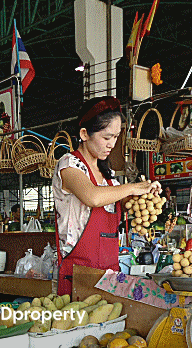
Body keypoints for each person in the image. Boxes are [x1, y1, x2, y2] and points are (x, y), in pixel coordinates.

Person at [53, 96, 161, 295]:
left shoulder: (108, 177)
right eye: (106, 137)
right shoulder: (69, 165)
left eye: (116, 137)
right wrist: (132, 187)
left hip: (109, 273)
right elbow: (93, 197)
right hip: (77, 273)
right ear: (84, 134)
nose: (112, 144)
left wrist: (145, 195)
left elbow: (124, 203)